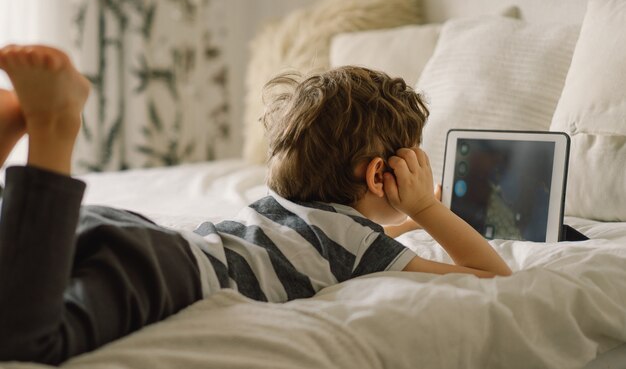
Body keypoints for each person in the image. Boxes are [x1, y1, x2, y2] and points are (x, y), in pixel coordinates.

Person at [0, 45, 512, 364]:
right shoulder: (357, 248)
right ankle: (53, 134)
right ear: (381, 175)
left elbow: (361, 245)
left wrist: (403, 219)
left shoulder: (294, 210)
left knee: (17, 272)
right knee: (31, 340)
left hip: (127, 234)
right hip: (160, 273)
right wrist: (426, 211)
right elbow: (492, 279)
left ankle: (8, 137)